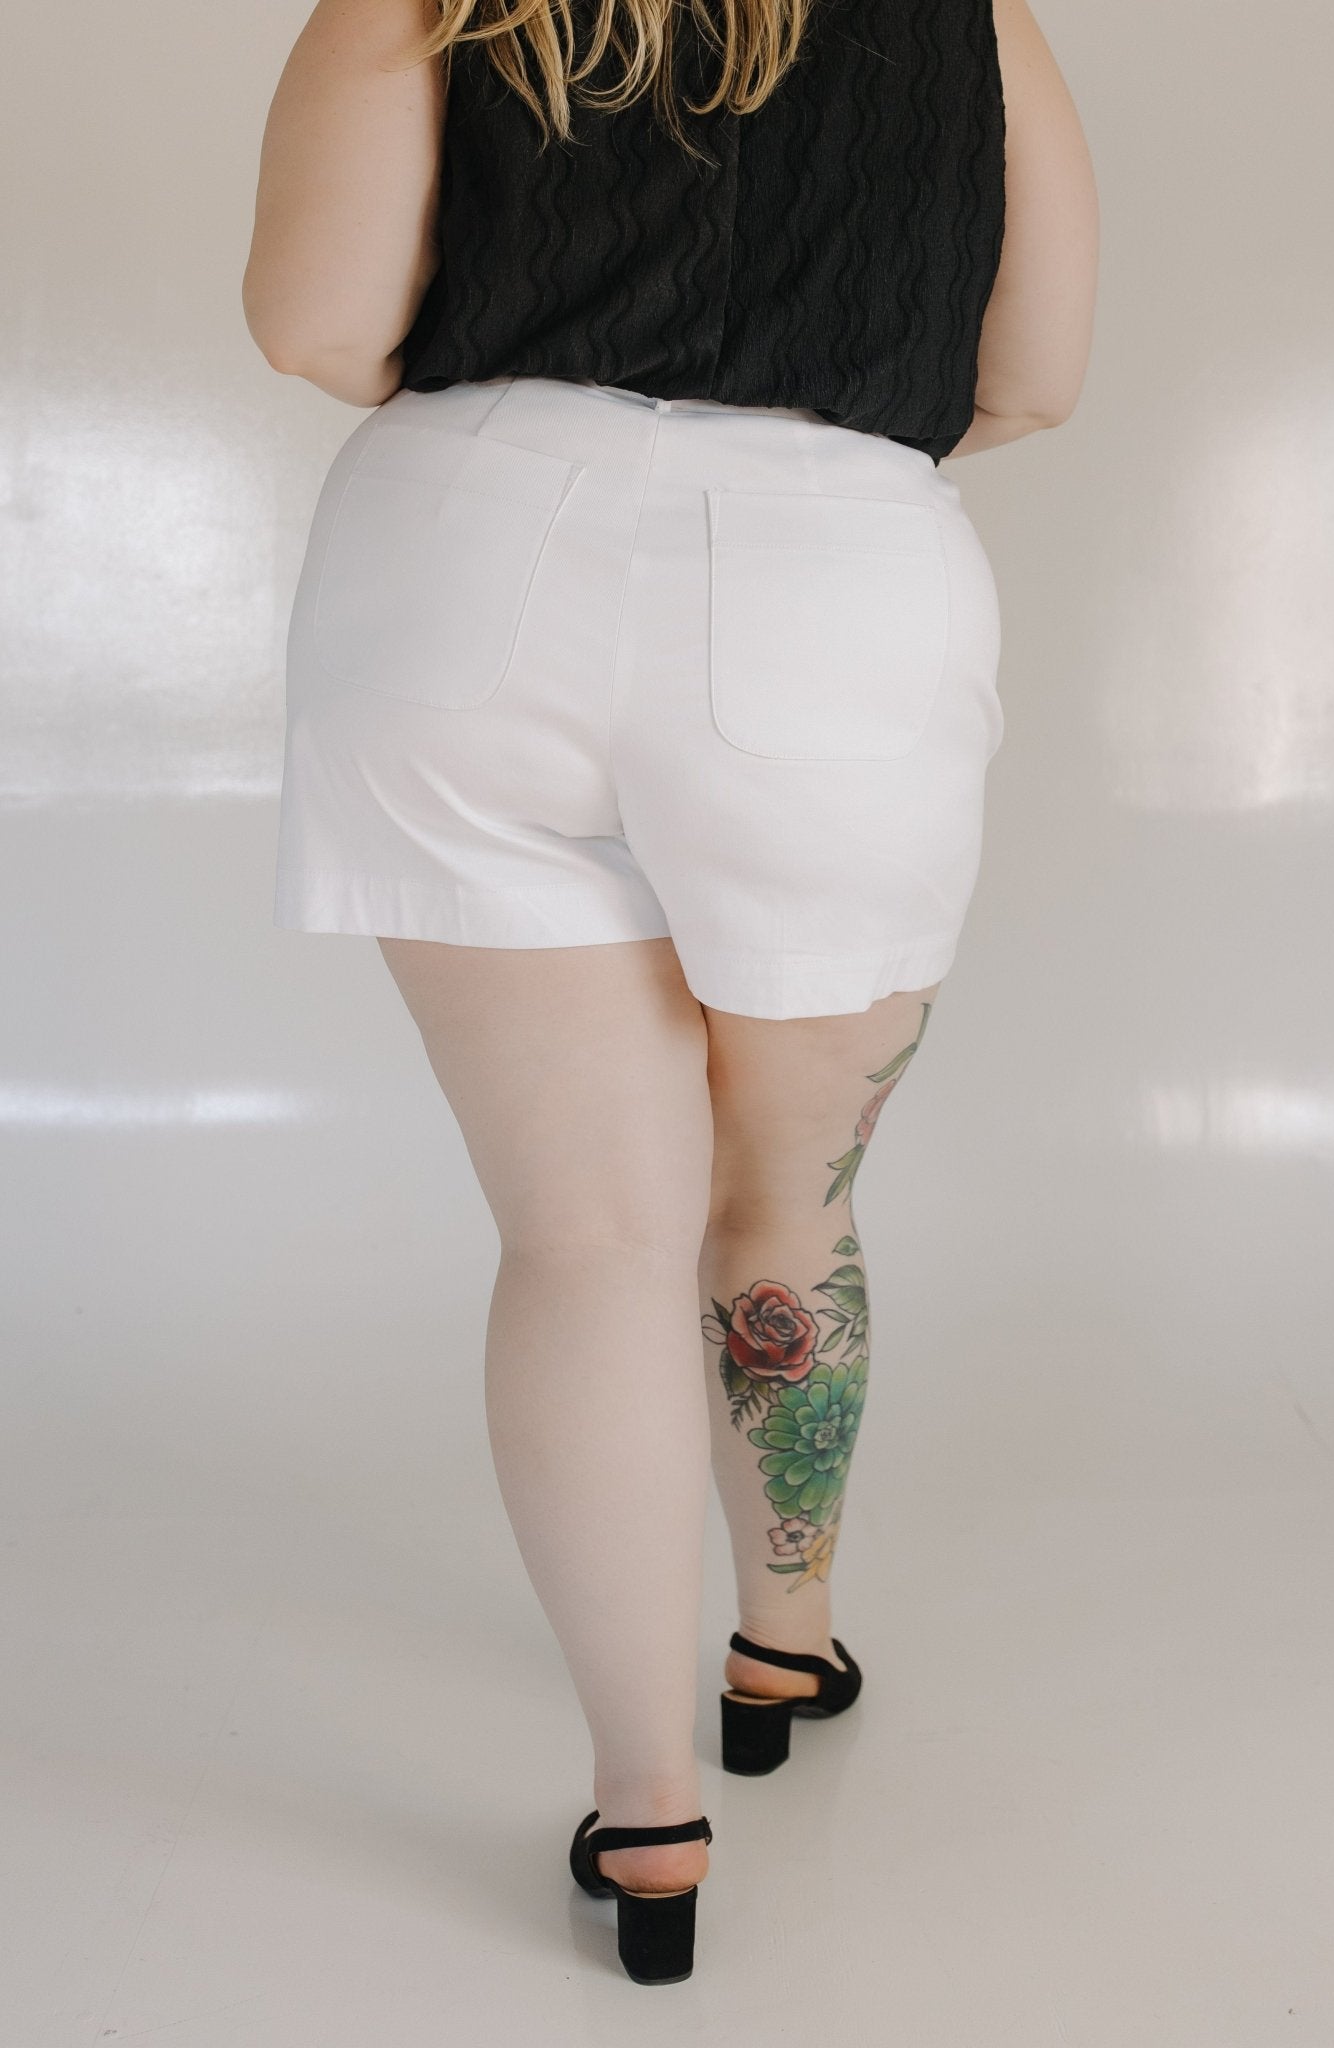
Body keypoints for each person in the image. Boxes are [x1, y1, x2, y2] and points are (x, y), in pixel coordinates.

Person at [242, 0, 1098, 1986]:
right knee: (785, 1198)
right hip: (835, 581)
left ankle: (647, 1815)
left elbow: (314, 326)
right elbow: (1032, 379)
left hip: (465, 561)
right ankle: (777, 1643)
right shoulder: (973, 15)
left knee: (585, 1238)